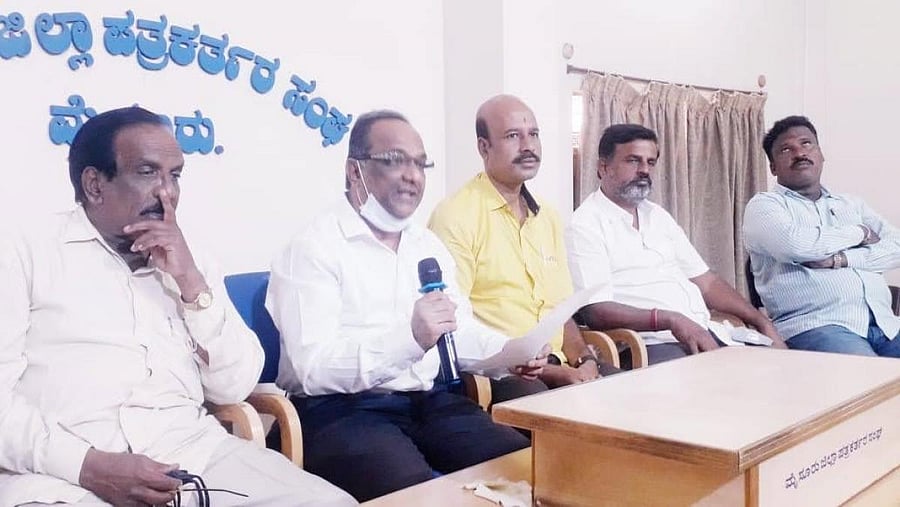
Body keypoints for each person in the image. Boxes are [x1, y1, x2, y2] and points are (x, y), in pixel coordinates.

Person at [0, 107, 356, 507]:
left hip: (193, 456)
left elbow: (235, 385)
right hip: (65, 475)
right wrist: (88, 466)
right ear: (95, 185)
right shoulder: (24, 253)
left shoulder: (192, 261)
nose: (167, 192)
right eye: (147, 173)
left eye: (175, 175)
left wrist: (191, 284)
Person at [266, 109, 545, 502]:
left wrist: (510, 353)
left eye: (420, 163)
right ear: (354, 171)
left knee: (526, 469)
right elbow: (312, 369)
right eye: (395, 161)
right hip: (339, 412)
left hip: (428, 402)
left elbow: (458, 332)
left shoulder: (425, 245)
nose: (413, 176)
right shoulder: (313, 249)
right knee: (417, 494)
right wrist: (410, 339)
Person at [429, 95, 619, 404]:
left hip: (561, 365)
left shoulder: (547, 216)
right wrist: (557, 374)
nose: (528, 146)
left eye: (534, 134)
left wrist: (585, 360)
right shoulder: (455, 216)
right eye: (513, 136)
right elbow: (453, 326)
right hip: (503, 374)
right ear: (484, 148)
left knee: (634, 395)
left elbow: (561, 311)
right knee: (549, 405)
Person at [567, 123, 785, 367]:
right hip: (648, 345)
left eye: (650, 162)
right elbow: (595, 310)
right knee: (729, 381)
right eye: (633, 160)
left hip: (703, 331)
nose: (644, 170)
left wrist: (760, 321)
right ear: (603, 167)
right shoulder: (584, 224)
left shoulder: (657, 215)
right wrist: (669, 319)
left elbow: (707, 282)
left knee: (778, 367)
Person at [743, 115, 900, 357]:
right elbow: (798, 245)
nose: (799, 153)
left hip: (886, 323)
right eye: (786, 149)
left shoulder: (851, 204)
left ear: (821, 154)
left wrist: (841, 260)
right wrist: (860, 232)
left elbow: (896, 247)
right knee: (868, 377)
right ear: (773, 167)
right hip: (817, 326)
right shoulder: (764, 206)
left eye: (806, 144)